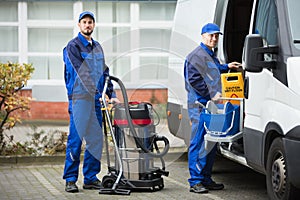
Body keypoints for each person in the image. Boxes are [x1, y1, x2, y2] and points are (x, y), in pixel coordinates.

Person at [62, 11, 119, 193]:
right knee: (76, 140)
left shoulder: (97, 47)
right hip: (80, 100)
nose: (88, 25)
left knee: (95, 141)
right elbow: (81, 72)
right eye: (84, 22)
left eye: (90, 22)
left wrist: (110, 92)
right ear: (79, 25)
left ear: (93, 25)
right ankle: (70, 179)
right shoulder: (73, 47)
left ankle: (90, 178)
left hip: (95, 100)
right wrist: (97, 92)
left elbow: (104, 71)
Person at [184, 23, 240, 193]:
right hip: (200, 106)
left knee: (212, 143)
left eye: (216, 35)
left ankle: (206, 178)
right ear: (202, 36)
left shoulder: (210, 54)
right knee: (199, 142)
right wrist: (211, 94)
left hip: (212, 106)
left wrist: (227, 67)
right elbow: (194, 80)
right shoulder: (195, 55)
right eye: (210, 35)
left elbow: (213, 70)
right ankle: (195, 181)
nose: (214, 38)